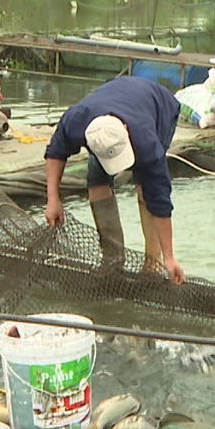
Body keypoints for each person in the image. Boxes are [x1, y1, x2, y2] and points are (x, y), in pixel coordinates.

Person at [43, 75, 185, 284]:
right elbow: (55, 152)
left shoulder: (147, 143)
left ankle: (152, 263)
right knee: (97, 181)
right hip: (112, 103)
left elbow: (160, 200)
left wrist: (169, 257)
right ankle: (113, 259)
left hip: (159, 106)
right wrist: (53, 199)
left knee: (146, 188)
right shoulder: (77, 121)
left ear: (126, 132)